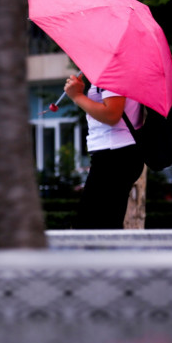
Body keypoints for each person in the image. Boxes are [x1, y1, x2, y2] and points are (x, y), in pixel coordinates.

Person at [64, 74, 144, 229]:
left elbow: (112, 114)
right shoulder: (112, 69)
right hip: (116, 154)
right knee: (105, 225)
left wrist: (77, 96)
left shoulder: (112, 70)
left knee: (91, 228)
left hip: (114, 154)